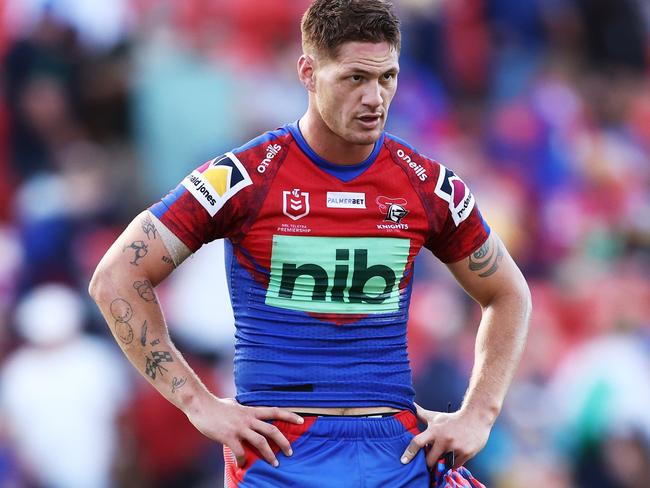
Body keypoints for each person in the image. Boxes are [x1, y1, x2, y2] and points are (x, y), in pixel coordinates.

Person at [89, 1, 532, 486]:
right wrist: (198, 403)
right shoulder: (247, 177)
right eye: (355, 78)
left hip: (395, 455)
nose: (374, 98)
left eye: (387, 77)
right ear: (307, 71)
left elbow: (508, 292)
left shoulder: (424, 184)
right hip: (279, 458)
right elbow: (117, 276)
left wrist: (479, 414)